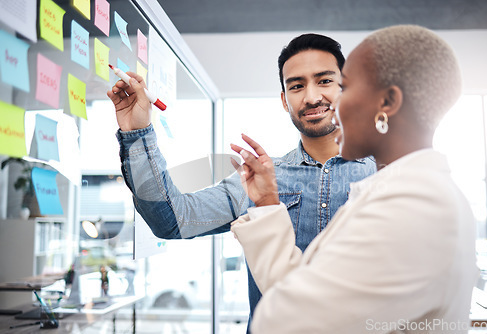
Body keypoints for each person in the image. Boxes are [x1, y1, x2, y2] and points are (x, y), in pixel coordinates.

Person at [107, 34, 376, 327]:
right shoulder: (258, 178)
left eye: (324, 81)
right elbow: (171, 220)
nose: (311, 97)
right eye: (297, 86)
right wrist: (138, 132)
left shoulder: (386, 175)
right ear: (285, 101)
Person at [230, 25, 478, 333]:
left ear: (386, 103)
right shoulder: (400, 190)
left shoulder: (417, 205)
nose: (329, 104)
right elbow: (304, 295)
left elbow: (290, 322)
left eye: (343, 86)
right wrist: (267, 203)